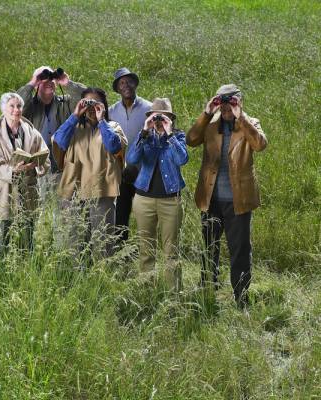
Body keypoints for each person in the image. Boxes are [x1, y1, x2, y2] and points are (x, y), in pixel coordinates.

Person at [187, 84, 267, 308]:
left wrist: (242, 118)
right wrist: (206, 113)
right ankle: (207, 292)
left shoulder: (250, 123)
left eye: (230, 103)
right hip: (211, 198)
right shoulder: (210, 124)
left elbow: (260, 144)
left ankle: (241, 297)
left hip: (238, 200)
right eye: (222, 103)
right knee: (208, 247)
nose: (226, 109)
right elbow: (191, 139)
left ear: (239, 103)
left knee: (240, 250)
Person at [53, 87, 127, 260]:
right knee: (74, 243)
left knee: (103, 244)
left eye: (96, 104)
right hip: (74, 192)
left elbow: (114, 147)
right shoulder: (73, 127)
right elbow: (58, 142)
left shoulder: (113, 127)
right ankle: (77, 279)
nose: (92, 108)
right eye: (88, 103)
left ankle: (101, 280)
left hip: (102, 192)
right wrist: (75, 115)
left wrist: (101, 122)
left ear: (104, 106)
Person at [126, 98, 188, 291]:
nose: (160, 121)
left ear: (171, 119)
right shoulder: (145, 136)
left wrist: (168, 135)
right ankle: (147, 291)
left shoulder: (177, 137)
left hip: (170, 200)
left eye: (164, 117)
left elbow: (182, 159)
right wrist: (145, 131)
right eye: (156, 117)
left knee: (171, 251)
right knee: (146, 250)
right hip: (144, 199)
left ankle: (173, 295)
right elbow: (132, 158)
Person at [0, 93, 50, 255]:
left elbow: (45, 157)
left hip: (28, 193)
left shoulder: (32, 132)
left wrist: (36, 165)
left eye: (19, 106)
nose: (16, 110)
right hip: (3, 193)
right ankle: (2, 272)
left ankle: (27, 269)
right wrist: (13, 170)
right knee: (2, 242)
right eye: (12, 106)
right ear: (3, 109)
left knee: (28, 242)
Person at [17, 66, 86, 201]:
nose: (49, 82)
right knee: (40, 208)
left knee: (64, 210)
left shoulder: (65, 102)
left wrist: (67, 83)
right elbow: (15, 104)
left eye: (52, 79)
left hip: (63, 164)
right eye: (44, 79)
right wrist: (32, 82)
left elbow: (86, 97)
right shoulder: (29, 106)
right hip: (36, 165)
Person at [108, 67, 152, 245]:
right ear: (118, 88)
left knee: (146, 217)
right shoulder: (111, 112)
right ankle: (121, 255)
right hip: (121, 174)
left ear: (135, 84)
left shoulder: (149, 108)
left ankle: (146, 251)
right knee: (121, 217)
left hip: (144, 172)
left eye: (129, 81)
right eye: (122, 83)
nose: (126, 85)